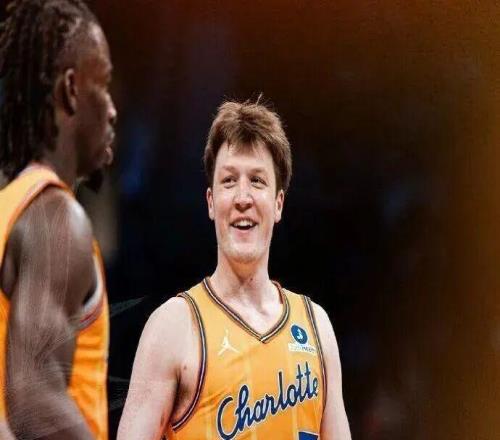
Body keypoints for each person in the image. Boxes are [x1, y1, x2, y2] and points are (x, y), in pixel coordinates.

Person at [118, 99, 351, 439]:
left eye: (257, 180)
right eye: (229, 181)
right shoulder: (172, 327)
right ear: (211, 202)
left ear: (278, 203)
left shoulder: (317, 327)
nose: (243, 197)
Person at [0, 0, 117, 438]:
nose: (112, 109)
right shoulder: (57, 217)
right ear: (71, 89)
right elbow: (34, 399)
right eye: (104, 84)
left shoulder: (9, 207)